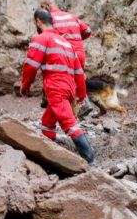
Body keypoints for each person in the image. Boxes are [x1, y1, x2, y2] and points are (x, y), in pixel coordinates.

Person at [20, 9, 95, 165]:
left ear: (38, 22)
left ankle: (90, 160)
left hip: (55, 86)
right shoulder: (66, 43)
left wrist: (25, 86)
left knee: (69, 123)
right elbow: (79, 73)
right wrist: (81, 94)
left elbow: (31, 66)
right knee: (48, 120)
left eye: (35, 23)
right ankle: (49, 154)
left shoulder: (41, 39)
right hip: (69, 87)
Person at [40, 0, 93, 117]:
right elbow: (88, 31)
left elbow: (46, 38)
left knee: (63, 82)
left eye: (41, 8)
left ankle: (68, 111)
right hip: (79, 53)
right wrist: (77, 39)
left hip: (65, 54)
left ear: (47, 6)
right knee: (77, 79)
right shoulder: (72, 17)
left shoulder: (49, 20)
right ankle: (82, 105)